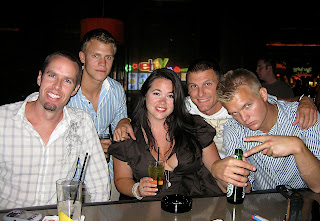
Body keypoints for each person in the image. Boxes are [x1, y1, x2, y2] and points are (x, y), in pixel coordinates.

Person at [114, 59, 318, 189]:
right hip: (237, 189)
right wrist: (124, 120)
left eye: (207, 85)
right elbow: (156, 109)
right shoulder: (186, 109)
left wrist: (305, 101)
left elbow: (266, 101)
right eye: (193, 86)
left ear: (219, 87)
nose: (200, 94)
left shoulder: (300, 117)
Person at [0, 52, 111, 210]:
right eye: (52, 76)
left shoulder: (81, 122)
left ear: (75, 89)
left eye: (67, 80)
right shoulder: (3, 119)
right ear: (40, 77)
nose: (57, 86)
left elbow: (99, 184)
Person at [108, 68, 224, 200]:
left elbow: (217, 170)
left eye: (170, 96)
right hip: (148, 212)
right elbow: (121, 179)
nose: (162, 102)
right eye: (156, 94)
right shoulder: (127, 135)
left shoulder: (194, 127)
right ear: (145, 94)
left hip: (195, 208)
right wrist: (137, 189)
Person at [216, 68, 320, 193]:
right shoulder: (234, 129)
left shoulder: (303, 115)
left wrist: (298, 147)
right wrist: (221, 174)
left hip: (304, 204)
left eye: (247, 105)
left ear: (263, 94)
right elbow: (245, 189)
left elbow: (318, 186)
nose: (244, 118)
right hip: (261, 206)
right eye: (234, 113)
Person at [67, 28, 127, 200]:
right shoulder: (67, 91)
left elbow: (120, 136)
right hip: (70, 180)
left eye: (108, 57)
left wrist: (124, 121)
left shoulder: (116, 90)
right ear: (82, 57)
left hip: (106, 176)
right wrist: (89, 147)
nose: (103, 63)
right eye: (96, 56)